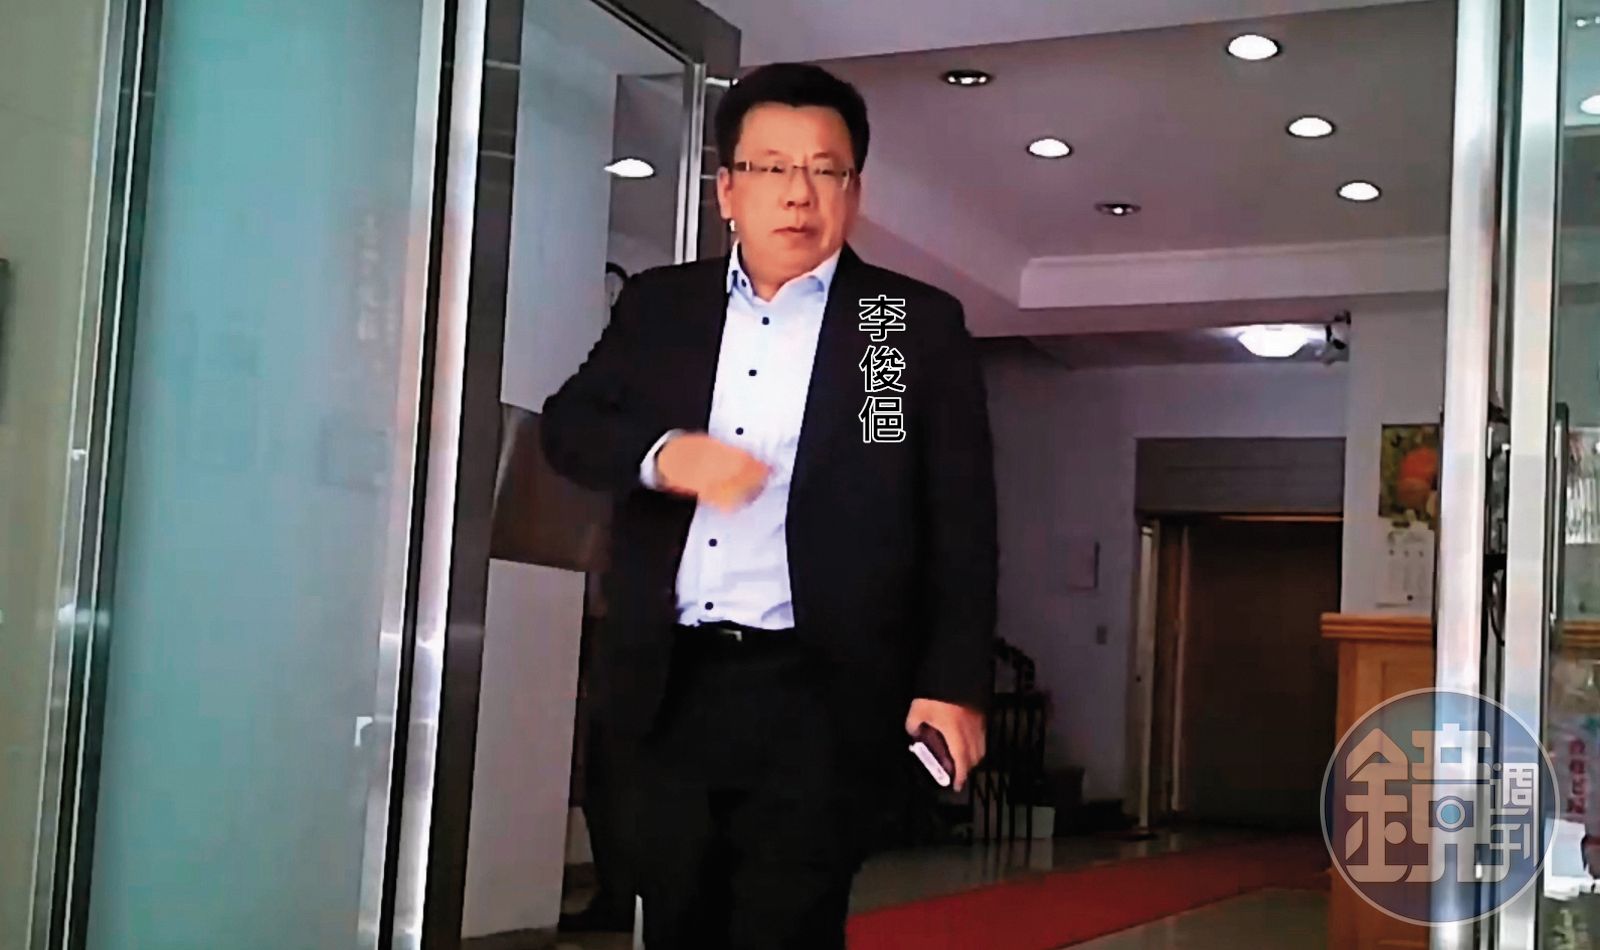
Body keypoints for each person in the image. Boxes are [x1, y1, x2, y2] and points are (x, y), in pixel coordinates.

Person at [540, 61, 997, 949]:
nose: (798, 193)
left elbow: (961, 520)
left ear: (854, 190)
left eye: (826, 169)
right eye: (772, 168)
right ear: (727, 190)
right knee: (677, 920)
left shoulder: (901, 326)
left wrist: (952, 685)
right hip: (669, 683)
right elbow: (570, 428)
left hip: (819, 693)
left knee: (788, 926)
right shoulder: (661, 306)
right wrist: (664, 455)